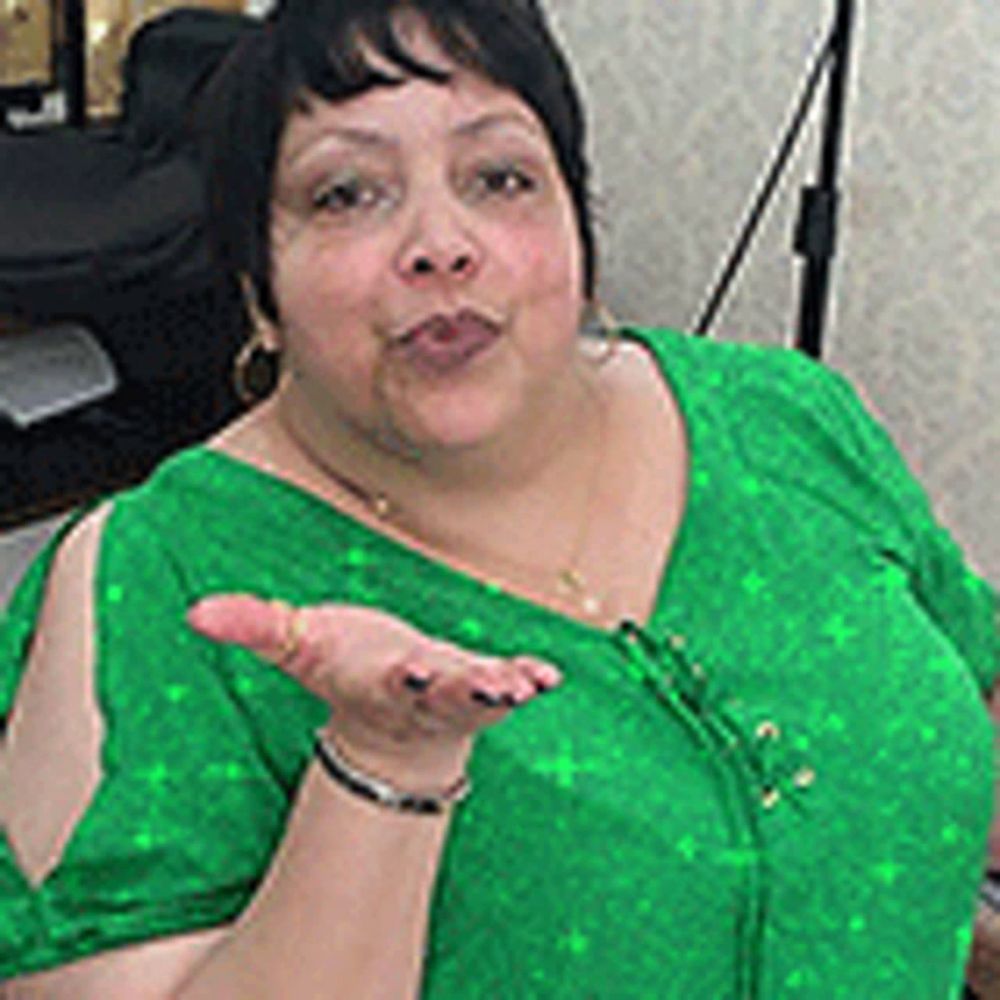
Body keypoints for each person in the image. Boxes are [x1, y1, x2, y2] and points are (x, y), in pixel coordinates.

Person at [0, 0, 998, 996]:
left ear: (577, 224)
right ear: (259, 292)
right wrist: (384, 763)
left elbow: (963, 700)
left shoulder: (783, 415)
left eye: (501, 177)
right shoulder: (152, 581)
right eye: (346, 193)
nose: (441, 243)